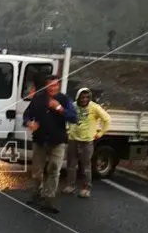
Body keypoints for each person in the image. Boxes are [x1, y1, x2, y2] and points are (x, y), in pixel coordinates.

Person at [23, 75, 77, 212]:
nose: (53, 88)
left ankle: (48, 199)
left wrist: (59, 108)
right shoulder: (38, 98)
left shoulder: (65, 99)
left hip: (58, 141)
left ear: (58, 85)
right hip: (40, 140)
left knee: (54, 169)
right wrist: (29, 122)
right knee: (37, 171)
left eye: (56, 85)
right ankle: (35, 194)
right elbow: (27, 114)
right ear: (46, 86)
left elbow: (73, 117)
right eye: (50, 85)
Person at [62, 88, 111, 198]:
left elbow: (107, 119)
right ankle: (70, 186)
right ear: (78, 97)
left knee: (86, 167)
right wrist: (67, 129)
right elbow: (66, 117)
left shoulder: (94, 107)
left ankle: (86, 188)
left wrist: (100, 133)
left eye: (87, 97)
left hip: (87, 142)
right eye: (82, 97)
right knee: (71, 165)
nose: (84, 99)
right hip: (73, 139)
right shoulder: (73, 106)